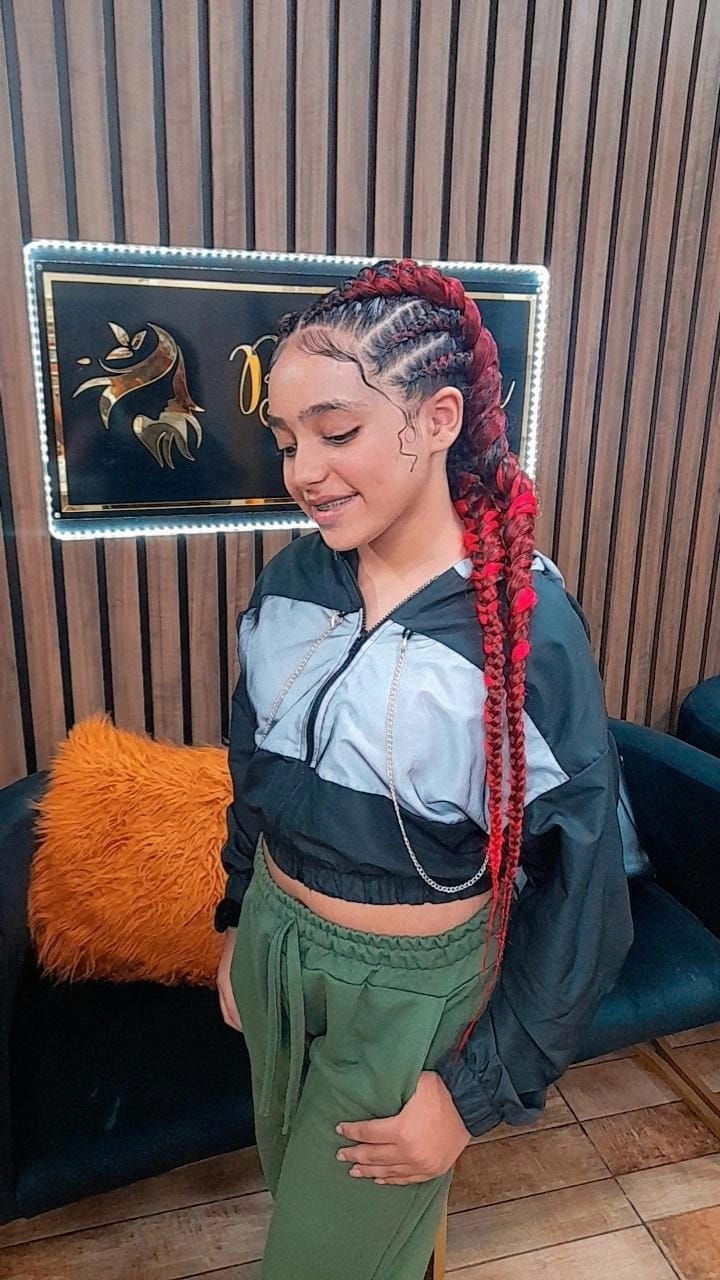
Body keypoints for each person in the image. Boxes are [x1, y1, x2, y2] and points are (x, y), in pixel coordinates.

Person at [214, 257, 634, 1280]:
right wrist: (236, 919)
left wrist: (477, 1090)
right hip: (273, 943)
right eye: (287, 439)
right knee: (308, 1203)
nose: (304, 471)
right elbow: (253, 768)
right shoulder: (292, 582)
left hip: (406, 998)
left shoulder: (523, 635)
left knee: (318, 1263)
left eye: (337, 431)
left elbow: (584, 889)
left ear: (438, 418)